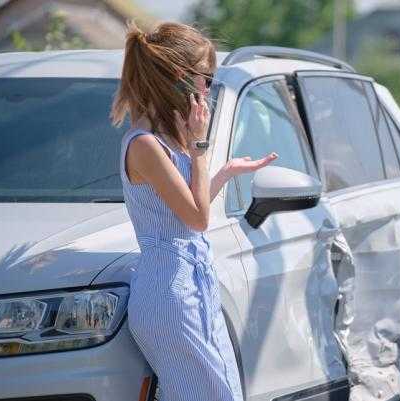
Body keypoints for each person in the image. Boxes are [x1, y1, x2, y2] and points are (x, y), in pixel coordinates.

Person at [110, 21, 277, 401]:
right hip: (170, 292)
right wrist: (200, 148)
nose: (207, 88)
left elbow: (184, 211)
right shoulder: (145, 144)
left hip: (190, 285)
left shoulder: (168, 139)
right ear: (181, 77)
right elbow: (197, 219)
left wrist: (222, 173)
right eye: (206, 78)